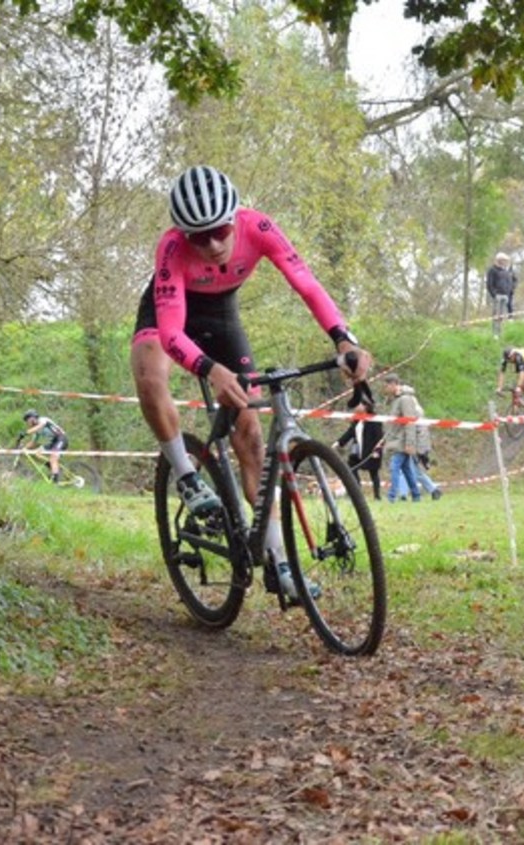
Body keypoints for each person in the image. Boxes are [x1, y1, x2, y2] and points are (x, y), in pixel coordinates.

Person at [130, 165, 372, 600]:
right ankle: (185, 474)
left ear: (234, 218)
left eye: (220, 231)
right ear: (183, 234)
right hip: (171, 314)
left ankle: (279, 563)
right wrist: (211, 370)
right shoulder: (172, 247)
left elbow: (306, 284)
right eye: (199, 237)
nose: (213, 244)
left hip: (221, 315)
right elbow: (170, 334)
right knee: (149, 375)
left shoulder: (258, 226)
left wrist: (343, 338)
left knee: (252, 438)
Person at [381, 373, 424, 502]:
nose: (385, 388)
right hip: (395, 440)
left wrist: (410, 443)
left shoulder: (405, 399)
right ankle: (416, 495)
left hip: (402, 441)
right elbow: (393, 423)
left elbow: (410, 422)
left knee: (394, 467)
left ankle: (391, 496)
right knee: (406, 470)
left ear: (394, 384)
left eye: (386, 386)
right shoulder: (394, 400)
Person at [335, 396, 384, 501]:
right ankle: (356, 491)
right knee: (350, 468)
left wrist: (377, 450)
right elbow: (350, 433)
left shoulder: (374, 419)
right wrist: (339, 443)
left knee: (373, 473)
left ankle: (377, 496)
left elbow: (379, 436)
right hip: (357, 451)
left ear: (365, 406)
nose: (355, 407)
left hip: (371, 450)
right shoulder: (357, 420)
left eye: (358, 404)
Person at [18, 410, 68, 483]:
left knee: (53, 457)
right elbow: (34, 443)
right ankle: (53, 468)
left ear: (32, 418)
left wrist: (26, 433)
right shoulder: (36, 430)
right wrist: (24, 448)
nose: (27, 423)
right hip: (53, 442)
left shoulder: (43, 420)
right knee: (36, 454)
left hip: (61, 439)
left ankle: (55, 481)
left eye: (27, 420)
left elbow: (40, 426)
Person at [497, 346, 524, 413]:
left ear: (513, 355)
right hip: (519, 361)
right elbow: (502, 373)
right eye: (508, 360)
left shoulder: (518, 357)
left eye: (510, 359)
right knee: (521, 382)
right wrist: (499, 387)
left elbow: (522, 373)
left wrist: (518, 387)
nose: (509, 361)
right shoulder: (505, 360)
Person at [485, 252, 518, 332]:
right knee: (496, 315)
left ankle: (501, 332)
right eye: (504, 260)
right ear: (499, 260)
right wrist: (494, 294)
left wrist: (510, 290)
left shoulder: (505, 271)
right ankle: (495, 333)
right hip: (497, 295)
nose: (505, 263)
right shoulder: (492, 270)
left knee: (502, 316)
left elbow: (511, 281)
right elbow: (489, 284)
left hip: (506, 295)